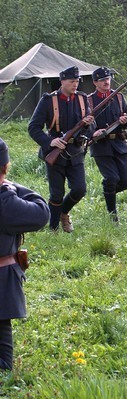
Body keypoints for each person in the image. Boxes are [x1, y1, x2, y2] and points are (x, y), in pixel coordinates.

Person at [0, 138, 50, 370]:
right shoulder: (6, 204)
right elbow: (41, 211)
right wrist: (9, 188)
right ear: (5, 168)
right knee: (3, 360)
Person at [28, 66, 95, 232]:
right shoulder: (48, 100)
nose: (75, 84)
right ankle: (54, 228)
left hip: (76, 151)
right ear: (62, 81)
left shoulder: (82, 98)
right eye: (72, 81)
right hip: (55, 153)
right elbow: (34, 127)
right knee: (56, 194)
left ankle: (64, 213)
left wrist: (87, 125)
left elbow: (91, 126)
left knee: (80, 189)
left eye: (77, 81)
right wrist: (50, 142)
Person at [88, 67, 127, 223]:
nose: (106, 82)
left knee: (126, 181)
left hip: (119, 143)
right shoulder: (89, 100)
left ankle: (108, 193)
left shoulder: (119, 97)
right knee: (112, 178)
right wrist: (93, 132)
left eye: (108, 79)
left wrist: (125, 121)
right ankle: (113, 216)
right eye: (102, 80)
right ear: (95, 82)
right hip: (101, 146)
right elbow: (86, 123)